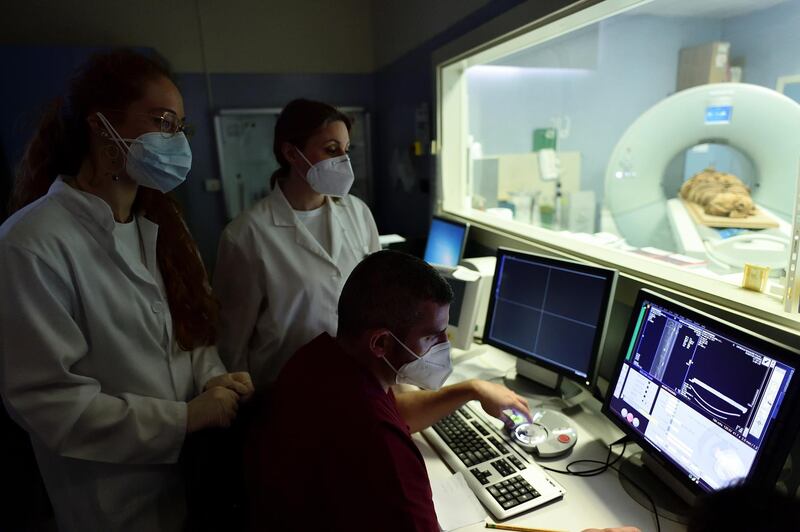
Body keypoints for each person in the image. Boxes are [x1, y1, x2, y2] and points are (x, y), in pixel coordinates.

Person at [0, 49, 253, 532]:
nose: (175, 142)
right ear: (101, 128)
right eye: (162, 122)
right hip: (111, 500)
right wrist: (183, 420)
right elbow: (51, 402)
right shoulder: (31, 243)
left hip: (190, 485)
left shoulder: (162, 225)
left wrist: (212, 380)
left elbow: (190, 336)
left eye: (180, 128)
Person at [244, 250, 529, 530]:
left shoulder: (319, 357)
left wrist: (471, 389)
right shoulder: (381, 445)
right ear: (380, 343)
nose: (444, 346)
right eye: (431, 337)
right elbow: (382, 428)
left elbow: (396, 413)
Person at [214, 98, 380, 390]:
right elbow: (232, 342)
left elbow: (379, 298)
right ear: (291, 152)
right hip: (283, 391)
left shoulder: (357, 213)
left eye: (346, 150)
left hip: (356, 381)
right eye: (331, 150)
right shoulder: (246, 234)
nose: (343, 160)